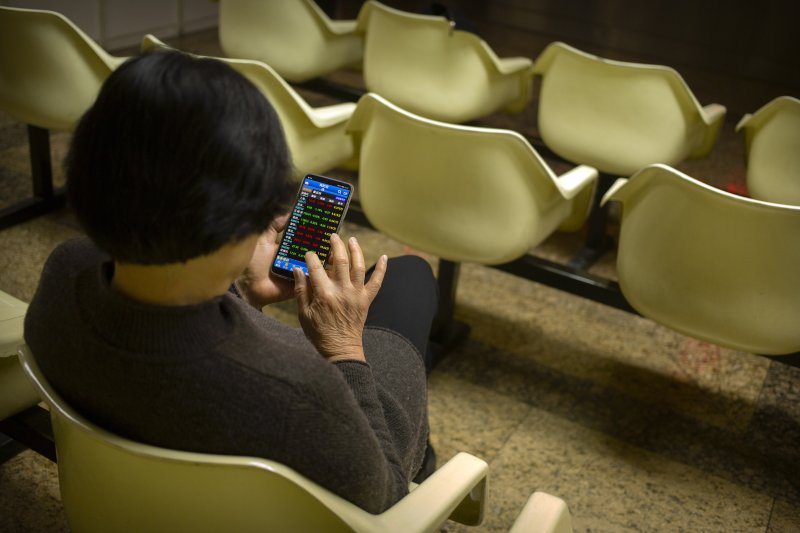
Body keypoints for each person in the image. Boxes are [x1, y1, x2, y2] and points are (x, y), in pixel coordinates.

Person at [24, 50, 438, 514]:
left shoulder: (66, 270)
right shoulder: (296, 390)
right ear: (243, 221)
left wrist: (241, 292)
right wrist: (342, 347)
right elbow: (383, 496)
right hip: (360, 435)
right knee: (411, 277)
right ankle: (424, 456)